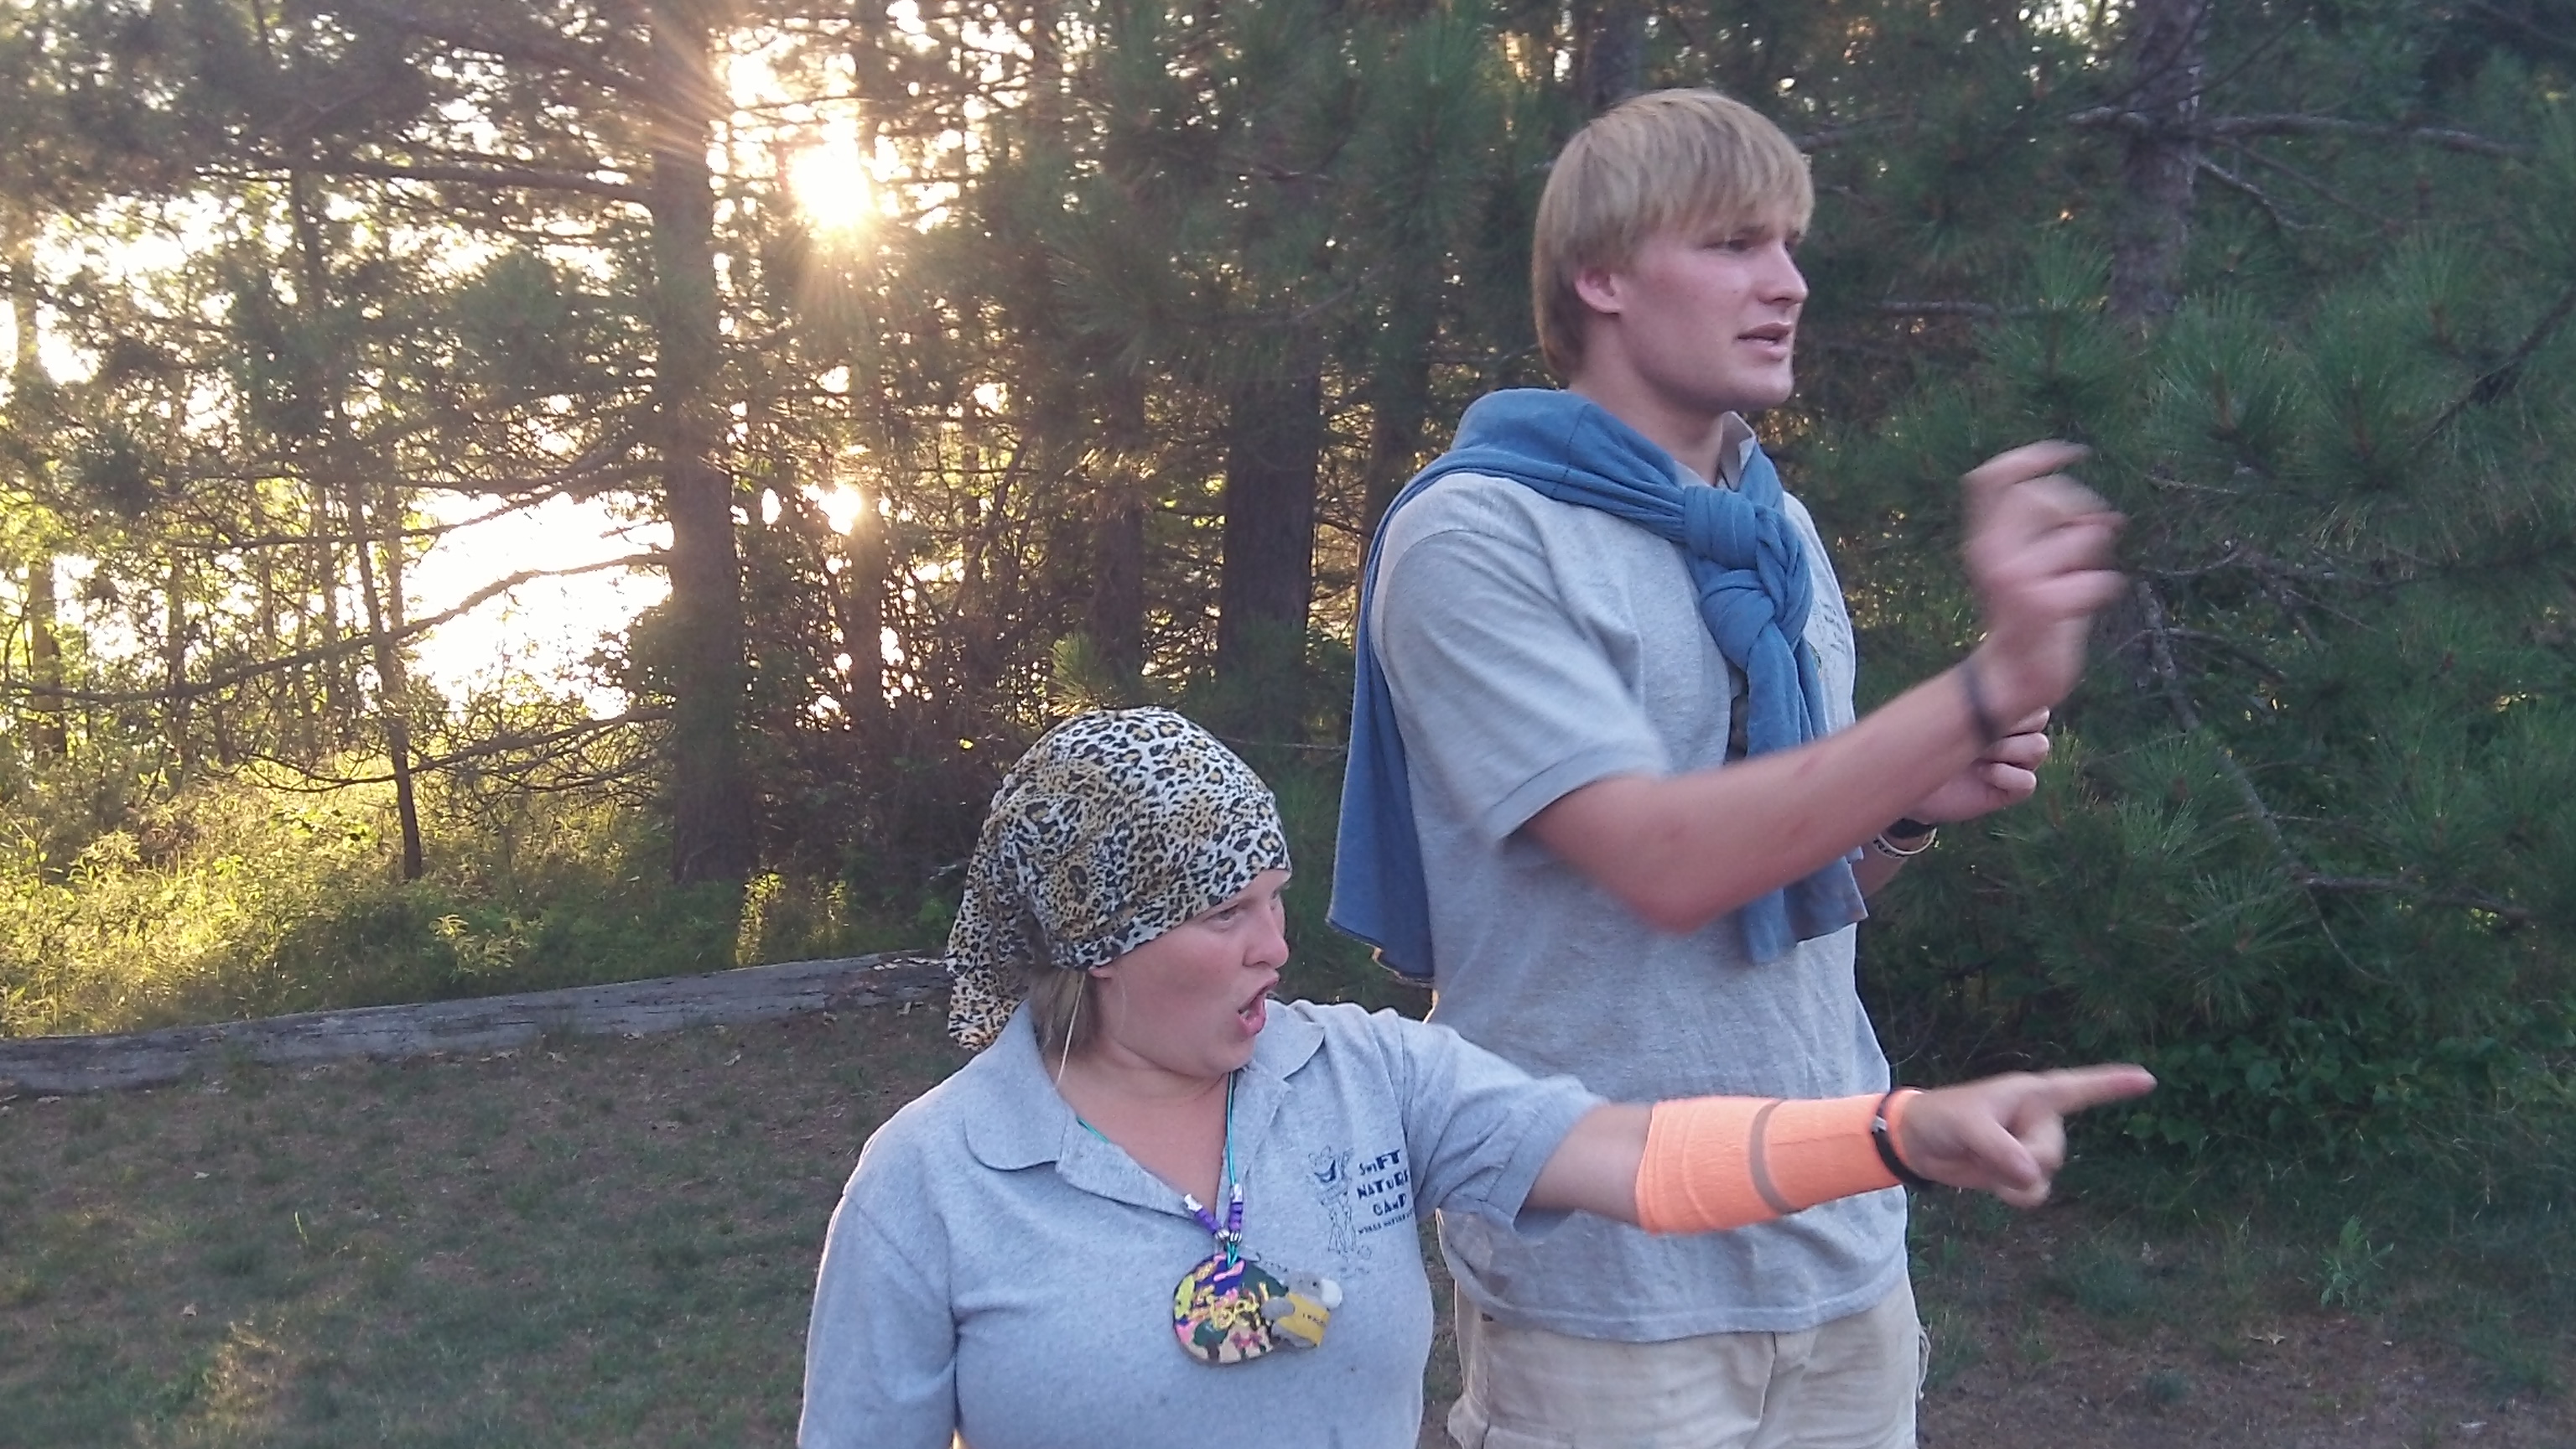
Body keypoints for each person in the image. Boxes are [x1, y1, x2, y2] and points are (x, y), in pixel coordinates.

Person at [1330, 90, 2132, 1448]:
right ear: (1602, 277)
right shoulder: (1480, 536)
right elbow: (1665, 862)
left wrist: (1902, 818)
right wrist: (1981, 690)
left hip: (1839, 1247)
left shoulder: (1778, 537)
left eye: (1791, 245)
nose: (1789, 282)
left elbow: (1797, 903)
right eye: (1734, 244)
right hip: (1607, 1284)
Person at [800, 709, 2151, 1449]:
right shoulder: (935, 1181)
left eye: (1277, 898)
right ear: (1101, 940)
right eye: (1224, 915)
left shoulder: (1364, 1076)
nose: (1276, 946)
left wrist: (1898, 1133)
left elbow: (1640, 1159)